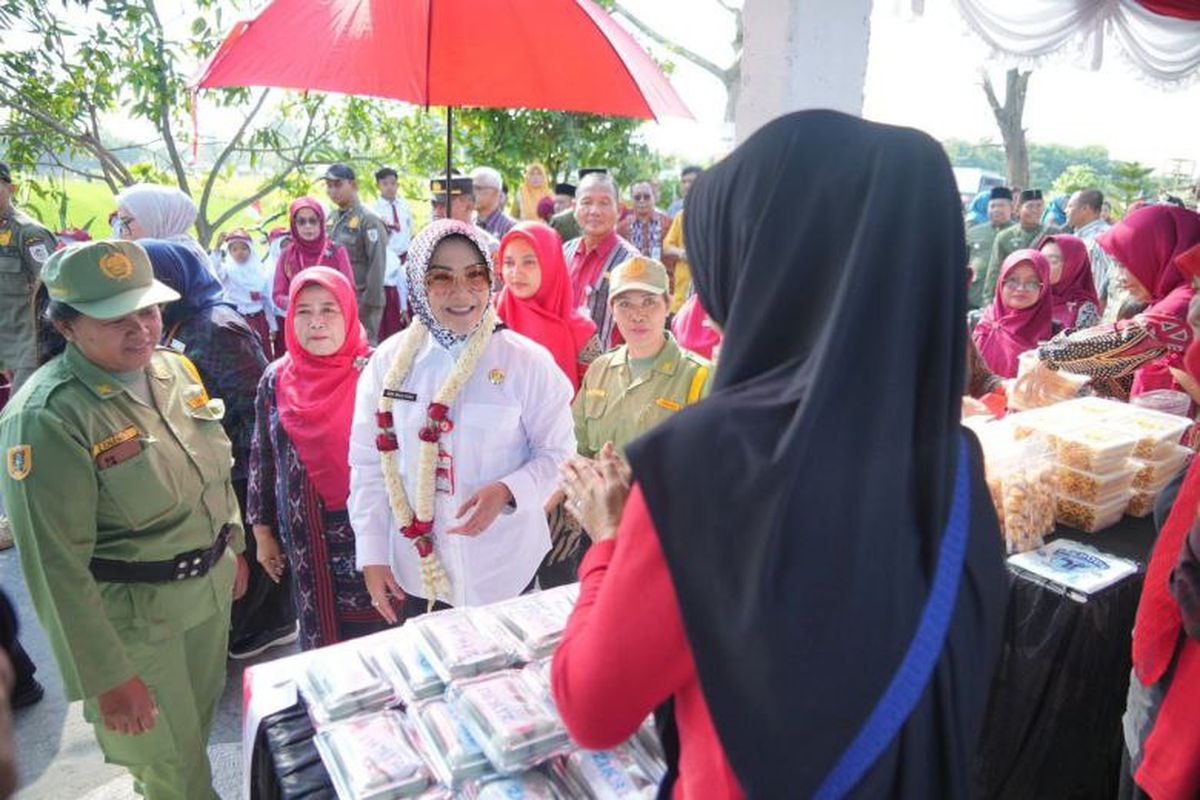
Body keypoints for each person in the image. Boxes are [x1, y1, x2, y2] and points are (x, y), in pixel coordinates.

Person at [552, 110, 1006, 799]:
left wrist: (609, 542)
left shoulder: (706, 465)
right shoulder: (955, 459)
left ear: (770, 263)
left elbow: (591, 705)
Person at [0, 240, 250, 799]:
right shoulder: (49, 415)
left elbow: (212, 466)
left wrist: (229, 542)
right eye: (114, 317)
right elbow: (53, 566)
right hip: (134, 628)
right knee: (174, 776)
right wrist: (106, 677)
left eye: (148, 309)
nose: (140, 328)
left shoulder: (174, 370)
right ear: (65, 326)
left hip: (205, 600)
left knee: (191, 744)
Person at [348, 220, 574, 615]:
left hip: (506, 571)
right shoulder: (389, 363)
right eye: (441, 278)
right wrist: (371, 554)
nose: (462, 292)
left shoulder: (527, 362)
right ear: (419, 282)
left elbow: (559, 456)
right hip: (416, 573)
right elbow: (368, 463)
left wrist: (508, 490)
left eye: (475, 275)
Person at [144, 240, 295, 660]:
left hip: (241, 458)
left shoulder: (216, 326)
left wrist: (238, 469)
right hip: (210, 457)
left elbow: (257, 401)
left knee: (252, 538)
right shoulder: (181, 322)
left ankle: (270, 626)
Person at [543, 256, 712, 588]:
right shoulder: (600, 370)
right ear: (612, 309)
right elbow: (574, 447)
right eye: (625, 303)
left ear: (668, 304)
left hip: (666, 538)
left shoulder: (701, 377)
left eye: (649, 301)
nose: (637, 314)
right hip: (600, 533)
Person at [248, 267, 389, 649]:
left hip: (373, 535)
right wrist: (262, 533)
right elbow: (262, 457)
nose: (316, 323)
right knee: (322, 643)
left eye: (329, 309)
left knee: (379, 640)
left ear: (349, 312)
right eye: (304, 311)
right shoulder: (275, 379)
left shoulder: (380, 372)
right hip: (307, 541)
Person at [1038, 205, 1200, 400]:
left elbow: (1127, 340)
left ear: (1157, 253)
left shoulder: (1187, 298)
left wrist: (1047, 354)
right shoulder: (1165, 296)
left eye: (1126, 264)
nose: (1120, 278)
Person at [495, 221, 599, 391]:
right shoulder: (487, 316)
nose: (516, 272)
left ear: (551, 264)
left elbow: (597, 396)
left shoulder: (582, 332)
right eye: (508, 263)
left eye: (528, 262)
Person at [564, 172, 638, 352]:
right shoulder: (564, 252)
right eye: (587, 202)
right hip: (562, 367)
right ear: (574, 207)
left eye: (604, 203)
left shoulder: (632, 263)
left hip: (608, 372)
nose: (594, 211)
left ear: (619, 210)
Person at [0, 162, 56, 396]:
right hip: (5, 341)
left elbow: (54, 288)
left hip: (29, 345)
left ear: (11, 189)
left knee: (17, 414)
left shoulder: (30, 234)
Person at [325, 164, 389, 345]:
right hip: (336, 300)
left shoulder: (368, 220)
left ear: (353, 185)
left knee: (362, 353)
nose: (332, 190)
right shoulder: (332, 219)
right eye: (329, 186)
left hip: (362, 302)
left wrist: (368, 305)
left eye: (337, 185)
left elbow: (377, 265)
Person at [973, 249, 1054, 378]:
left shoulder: (1055, 334)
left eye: (1032, 283)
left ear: (1043, 288)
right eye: (1012, 280)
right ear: (1001, 283)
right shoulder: (975, 322)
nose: (1021, 288)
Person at [272, 197, 354, 320]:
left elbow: (349, 288)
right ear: (294, 225)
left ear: (321, 222)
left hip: (331, 317)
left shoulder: (337, 251)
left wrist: (325, 305)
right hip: (300, 318)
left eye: (313, 221)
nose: (308, 226)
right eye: (301, 222)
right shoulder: (287, 254)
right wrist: (298, 304)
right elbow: (278, 294)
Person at [114, 184, 213, 277]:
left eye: (126, 221)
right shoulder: (180, 249)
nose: (121, 230)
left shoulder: (174, 258)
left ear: (152, 219)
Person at [981, 189, 1051, 302]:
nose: (1035, 210)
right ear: (1018, 209)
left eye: (1039, 206)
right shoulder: (1005, 236)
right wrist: (988, 300)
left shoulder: (1053, 233)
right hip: (1014, 293)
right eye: (1030, 206)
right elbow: (994, 270)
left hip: (1042, 293)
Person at [216, 229, 277, 359]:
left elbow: (266, 301)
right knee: (242, 355)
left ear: (250, 250)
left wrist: (273, 326)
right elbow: (216, 272)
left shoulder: (260, 271)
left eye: (244, 248)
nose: (239, 252)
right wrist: (216, 250)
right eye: (235, 249)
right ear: (230, 252)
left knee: (262, 353)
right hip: (237, 319)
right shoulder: (227, 271)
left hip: (258, 319)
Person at [965, 186, 1015, 309]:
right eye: (992, 206)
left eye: (1001, 206)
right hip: (975, 295)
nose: (996, 210)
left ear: (1012, 208)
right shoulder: (973, 232)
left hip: (1007, 296)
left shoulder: (1019, 233)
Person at [1040, 234, 1101, 331]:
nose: (1044, 266)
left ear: (1073, 266)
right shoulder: (1029, 297)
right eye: (1041, 259)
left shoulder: (1084, 310)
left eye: (1053, 261)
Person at [430, 176, 500, 259]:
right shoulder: (427, 243)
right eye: (434, 204)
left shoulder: (488, 247)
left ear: (469, 205)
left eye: (444, 204)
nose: (437, 211)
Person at [617, 180, 671, 259]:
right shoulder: (622, 228)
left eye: (646, 197)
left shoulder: (668, 224)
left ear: (654, 198)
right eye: (637, 197)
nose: (642, 200)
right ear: (632, 199)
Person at [471, 167, 517, 238]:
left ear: (496, 192)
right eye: (471, 188)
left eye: (478, 188)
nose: (473, 193)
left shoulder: (510, 228)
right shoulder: (469, 223)